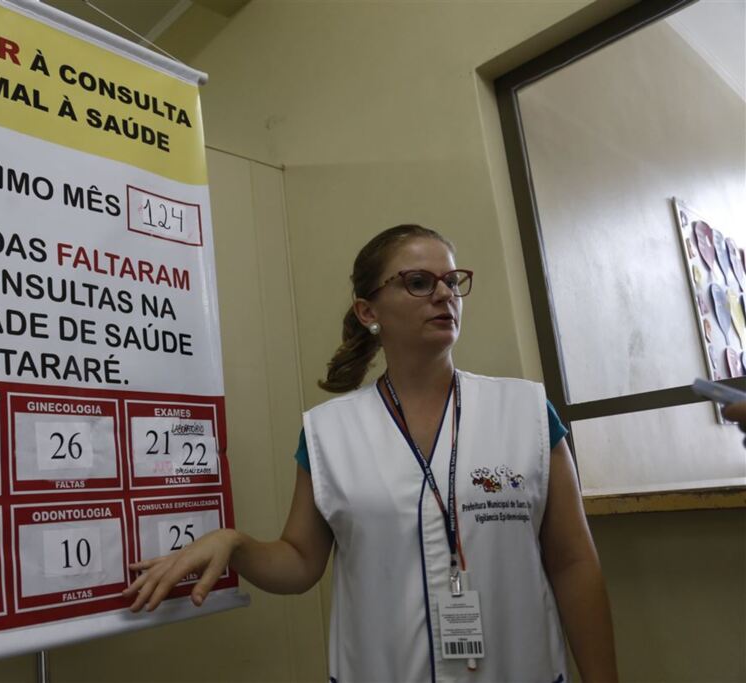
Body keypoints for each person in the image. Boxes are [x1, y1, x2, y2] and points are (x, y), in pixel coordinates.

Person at [123, 224, 618, 682]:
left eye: (452, 280)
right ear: (368, 311)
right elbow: (299, 562)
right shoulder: (329, 433)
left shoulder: (526, 413)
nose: (445, 294)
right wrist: (237, 545)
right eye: (420, 282)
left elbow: (573, 562)